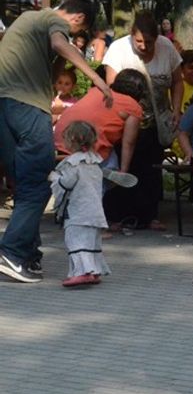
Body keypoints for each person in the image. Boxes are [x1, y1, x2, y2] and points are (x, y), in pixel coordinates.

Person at [0, 0, 112, 284]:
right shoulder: (53, 20)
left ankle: (27, 255)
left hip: (5, 108)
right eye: (76, 32)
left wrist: (61, 59)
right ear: (78, 19)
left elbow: (52, 67)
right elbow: (59, 43)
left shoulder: (27, 20)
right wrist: (97, 80)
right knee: (38, 185)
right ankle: (11, 252)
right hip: (27, 107)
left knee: (24, 186)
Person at [101, 11, 183, 232]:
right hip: (125, 117)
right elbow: (111, 86)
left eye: (149, 42)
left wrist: (176, 108)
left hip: (155, 118)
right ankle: (117, 215)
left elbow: (177, 82)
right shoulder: (118, 49)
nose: (144, 46)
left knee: (151, 167)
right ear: (131, 35)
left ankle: (149, 215)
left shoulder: (167, 48)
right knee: (124, 163)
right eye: (139, 41)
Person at [51, 120, 112, 288]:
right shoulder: (95, 163)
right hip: (95, 211)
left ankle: (82, 272)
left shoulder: (73, 163)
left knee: (76, 242)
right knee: (92, 242)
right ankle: (94, 270)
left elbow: (67, 183)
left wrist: (55, 178)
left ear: (72, 140)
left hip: (79, 211)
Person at [54, 68, 147, 178]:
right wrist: (124, 171)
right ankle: (105, 179)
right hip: (87, 150)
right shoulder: (133, 107)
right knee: (111, 161)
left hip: (62, 141)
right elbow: (129, 142)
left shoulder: (97, 91)